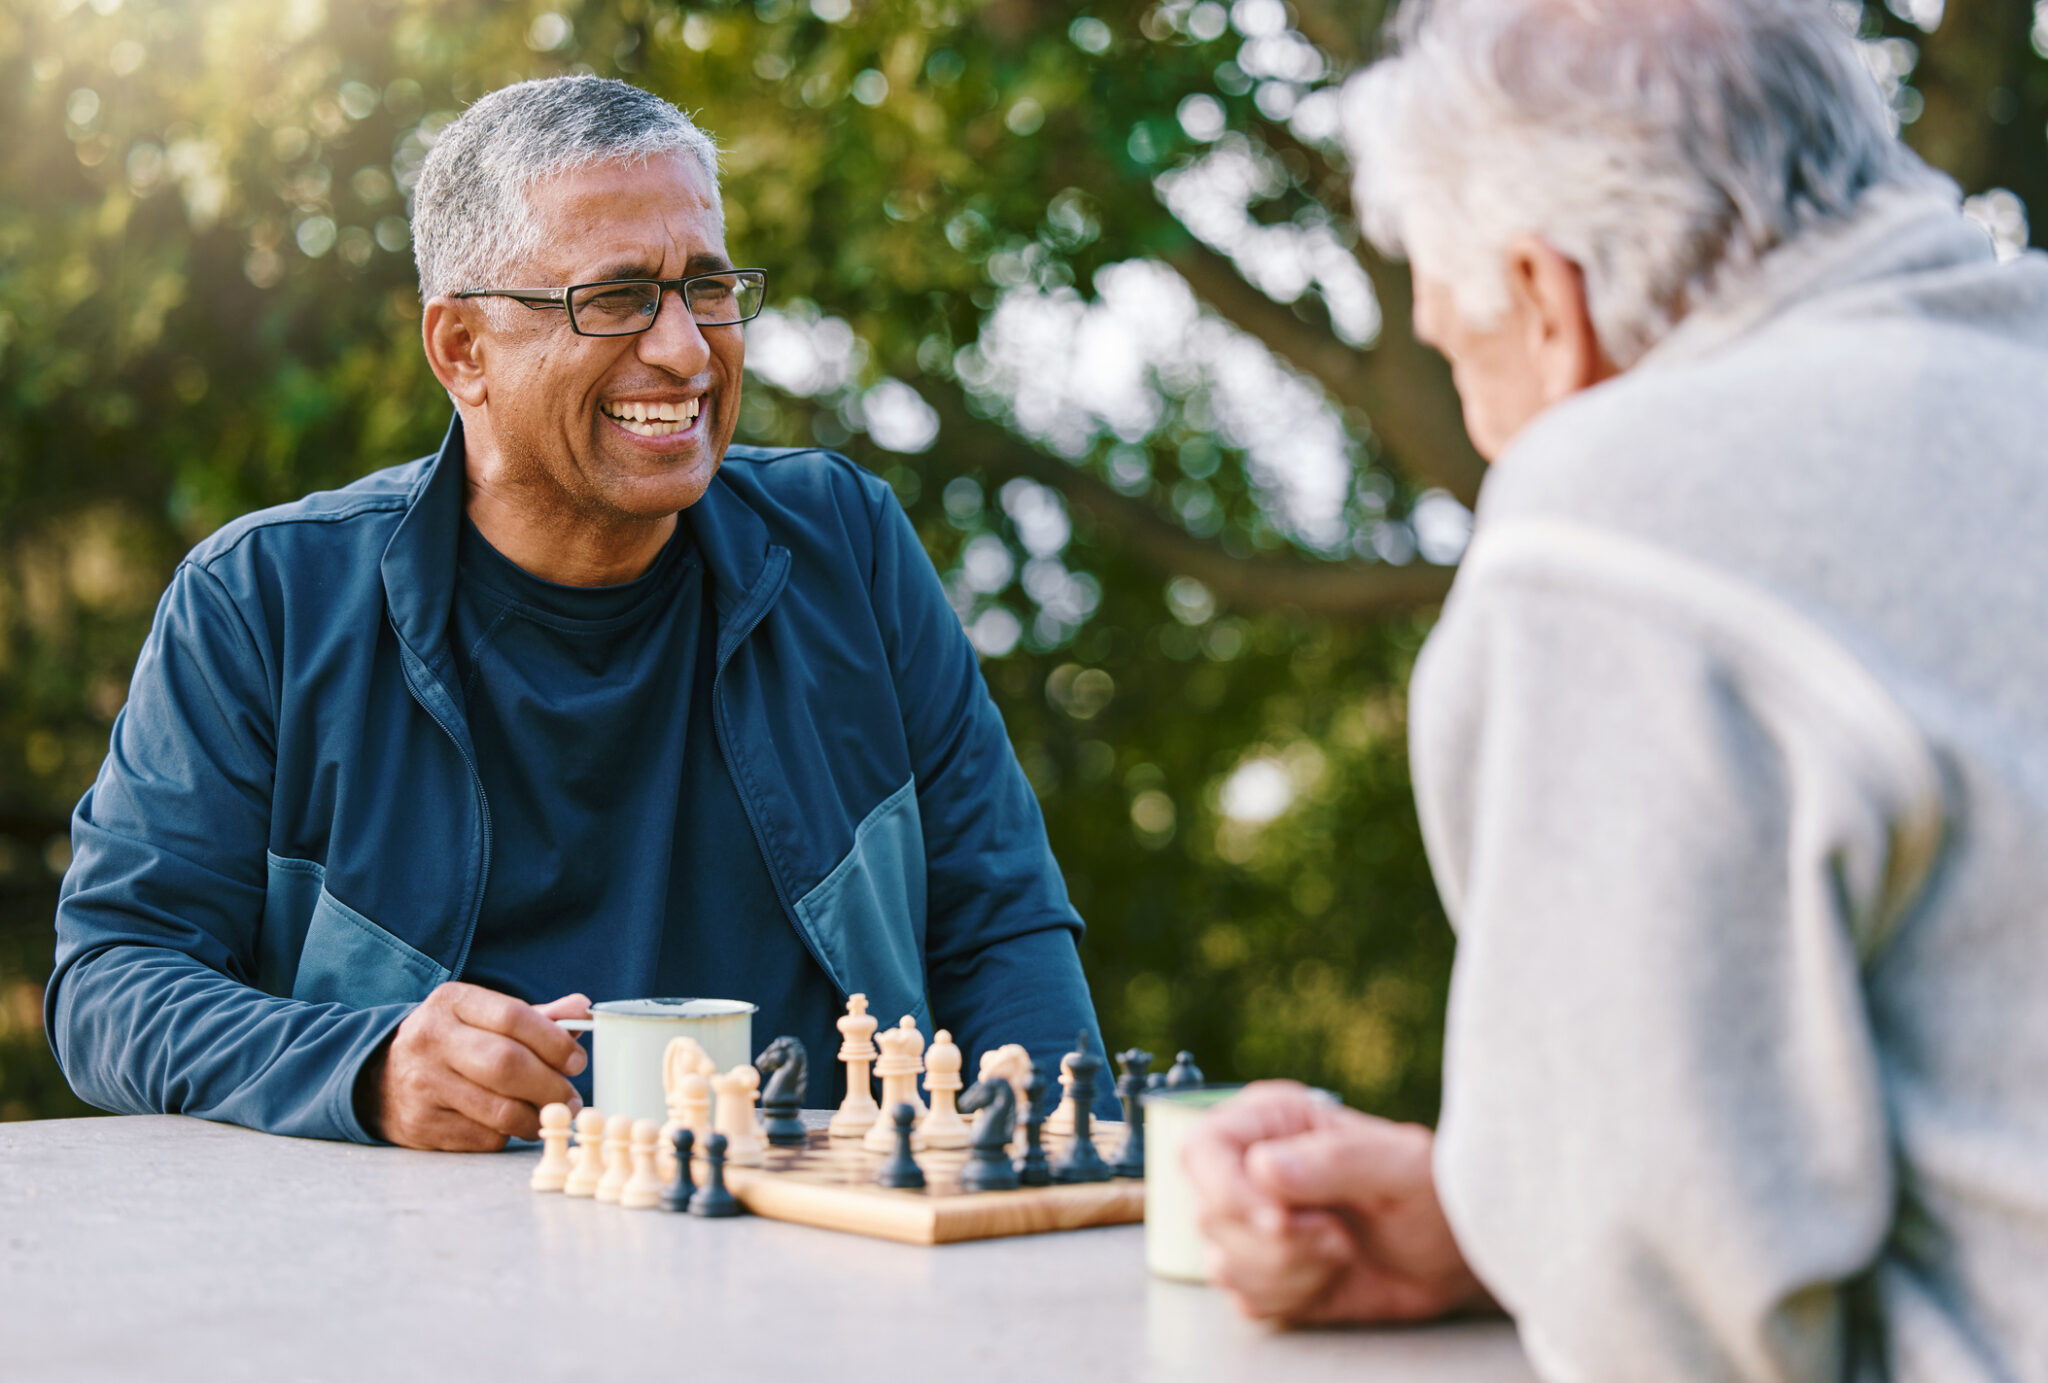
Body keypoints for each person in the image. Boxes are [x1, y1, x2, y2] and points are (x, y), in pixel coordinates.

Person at [1184, 1, 2048, 1378]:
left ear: (1546, 300)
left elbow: (1674, 1325)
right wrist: (1498, 1219)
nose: (1477, 425)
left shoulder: (1617, 507)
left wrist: (1588, 1249)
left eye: (1456, 348)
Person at [47, 76, 1110, 1151]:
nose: (687, 351)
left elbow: (1002, 925)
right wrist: (362, 1068)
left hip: (822, 1249)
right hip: (418, 1273)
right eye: (614, 299)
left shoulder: (848, 543)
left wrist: (1063, 1179)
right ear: (461, 349)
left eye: (705, 286)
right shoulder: (261, 601)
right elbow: (110, 982)